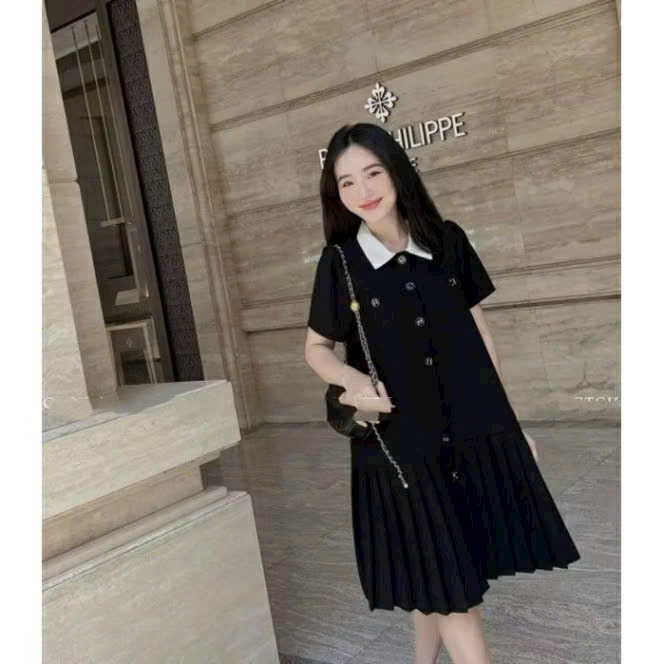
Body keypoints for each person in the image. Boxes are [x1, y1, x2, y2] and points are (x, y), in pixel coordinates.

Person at [303, 123, 580, 664]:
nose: (363, 191)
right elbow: (316, 348)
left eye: (373, 173)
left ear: (396, 171)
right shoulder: (340, 263)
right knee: (454, 587)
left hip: (469, 429)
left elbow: (481, 337)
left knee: (440, 570)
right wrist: (354, 382)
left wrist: (511, 425)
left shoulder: (447, 241)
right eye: (346, 182)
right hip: (402, 445)